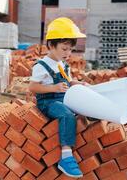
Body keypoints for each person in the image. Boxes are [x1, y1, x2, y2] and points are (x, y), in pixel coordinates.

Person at [29, 17, 88, 178]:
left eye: (70, 50)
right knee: (67, 115)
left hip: (63, 98)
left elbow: (68, 81)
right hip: (48, 102)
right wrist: (53, 88)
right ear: (51, 45)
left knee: (83, 110)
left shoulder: (63, 65)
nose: (68, 53)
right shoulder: (42, 66)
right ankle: (66, 156)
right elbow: (32, 87)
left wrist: (77, 83)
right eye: (64, 49)